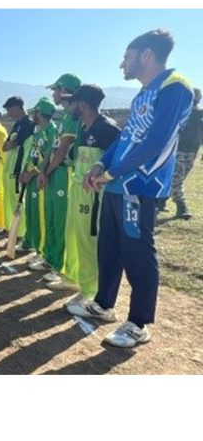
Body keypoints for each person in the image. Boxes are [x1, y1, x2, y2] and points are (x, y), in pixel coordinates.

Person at [72, 29, 193, 348]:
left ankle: (138, 324)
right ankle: (103, 304)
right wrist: (101, 166)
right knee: (109, 247)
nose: (121, 64)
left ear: (146, 55)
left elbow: (157, 141)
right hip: (116, 184)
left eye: (126, 57)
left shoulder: (176, 86)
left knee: (138, 252)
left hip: (140, 185)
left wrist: (112, 171)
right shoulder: (143, 93)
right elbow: (126, 138)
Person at [59, 85, 121, 304]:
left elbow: (116, 160)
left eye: (73, 102)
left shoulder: (107, 129)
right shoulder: (84, 128)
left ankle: (90, 291)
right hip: (77, 190)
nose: (69, 107)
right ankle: (73, 277)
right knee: (74, 234)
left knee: (88, 240)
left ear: (83, 104)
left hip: (93, 195)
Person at [36, 73, 82, 281]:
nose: (54, 94)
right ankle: (51, 258)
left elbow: (62, 150)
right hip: (54, 171)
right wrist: (44, 171)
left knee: (62, 219)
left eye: (56, 89)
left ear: (65, 90)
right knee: (52, 216)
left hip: (64, 172)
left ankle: (60, 265)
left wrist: (46, 172)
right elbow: (52, 150)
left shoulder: (73, 117)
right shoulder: (64, 117)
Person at [19, 98, 57, 256]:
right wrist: (24, 171)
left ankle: (41, 250)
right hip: (30, 177)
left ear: (41, 113)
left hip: (40, 178)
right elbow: (33, 155)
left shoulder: (52, 131)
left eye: (35, 112)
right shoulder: (38, 131)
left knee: (41, 215)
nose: (33, 115)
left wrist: (32, 173)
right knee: (31, 212)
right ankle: (29, 241)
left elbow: (48, 158)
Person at [159, 87, 201, 219]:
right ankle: (182, 207)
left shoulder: (200, 113)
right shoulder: (179, 111)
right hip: (177, 149)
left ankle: (160, 201)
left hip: (192, 150)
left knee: (179, 177)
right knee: (176, 178)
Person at [1, 96, 35, 245]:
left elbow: (14, 144)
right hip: (10, 168)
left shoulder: (28, 124)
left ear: (18, 107)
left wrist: (11, 143)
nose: (8, 112)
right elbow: (5, 146)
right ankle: (12, 230)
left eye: (9, 108)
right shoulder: (16, 125)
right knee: (9, 200)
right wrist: (11, 143)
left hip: (19, 169)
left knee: (18, 202)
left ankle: (20, 234)